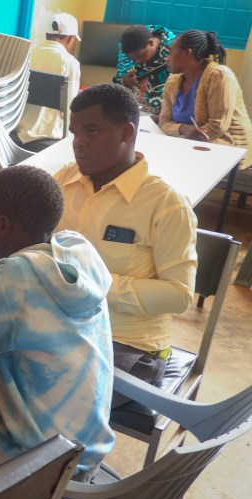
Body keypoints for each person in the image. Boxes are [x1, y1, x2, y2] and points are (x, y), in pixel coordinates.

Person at [0, 165, 115, 479]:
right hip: (83, 449)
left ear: (2, 224)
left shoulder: (13, 282)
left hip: (35, 467)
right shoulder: (73, 252)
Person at [55, 83, 196, 386]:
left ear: (126, 132)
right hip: (61, 327)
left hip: (125, 344)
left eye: (92, 131)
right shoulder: (64, 180)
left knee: (49, 391)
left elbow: (179, 295)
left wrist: (94, 284)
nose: (79, 143)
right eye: (75, 133)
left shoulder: (166, 204)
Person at [159, 29, 251, 170]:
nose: (167, 58)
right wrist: (183, 129)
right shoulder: (172, 81)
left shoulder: (219, 76)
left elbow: (217, 126)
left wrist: (180, 141)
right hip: (187, 146)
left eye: (171, 52)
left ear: (187, 52)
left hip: (225, 147)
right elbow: (164, 121)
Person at [14, 13, 82, 151]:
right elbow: (70, 106)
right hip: (49, 134)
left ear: (46, 35)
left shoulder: (25, 54)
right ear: (70, 38)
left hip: (15, 128)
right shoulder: (71, 63)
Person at [113, 24, 176, 114]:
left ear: (150, 43)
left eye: (141, 56)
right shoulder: (126, 49)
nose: (138, 62)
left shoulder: (173, 51)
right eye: (133, 59)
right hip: (131, 109)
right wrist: (124, 81)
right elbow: (119, 80)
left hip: (161, 112)